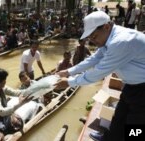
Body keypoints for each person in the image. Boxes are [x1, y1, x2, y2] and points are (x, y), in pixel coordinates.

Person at [55, 11, 145, 141]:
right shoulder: (108, 39)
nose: (93, 41)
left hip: (142, 89)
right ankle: (109, 138)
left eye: (94, 36)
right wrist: (69, 72)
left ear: (106, 27)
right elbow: (93, 59)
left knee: (135, 126)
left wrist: (69, 82)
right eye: (90, 38)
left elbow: (97, 73)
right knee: (119, 117)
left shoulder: (120, 41)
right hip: (131, 85)